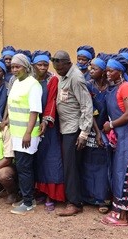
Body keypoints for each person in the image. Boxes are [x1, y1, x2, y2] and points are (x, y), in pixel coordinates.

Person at [100, 55, 128, 226]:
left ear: (120, 71)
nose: (108, 73)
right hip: (121, 135)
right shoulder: (115, 88)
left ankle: (122, 215)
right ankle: (125, 211)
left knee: (126, 173)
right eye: (107, 70)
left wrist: (110, 124)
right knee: (121, 172)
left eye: (111, 70)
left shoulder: (126, 87)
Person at [51, 50, 93, 216]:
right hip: (66, 127)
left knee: (71, 167)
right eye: (56, 69)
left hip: (74, 129)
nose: (58, 71)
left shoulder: (75, 77)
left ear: (67, 63)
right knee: (71, 166)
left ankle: (75, 203)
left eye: (60, 68)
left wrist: (84, 133)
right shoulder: (64, 75)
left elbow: (86, 105)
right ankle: (75, 199)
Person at [5, 53, 42, 215]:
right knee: (21, 167)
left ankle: (28, 202)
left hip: (27, 135)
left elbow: (34, 111)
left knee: (24, 167)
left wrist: (28, 133)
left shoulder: (33, 85)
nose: (14, 70)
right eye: (12, 67)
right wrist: (7, 121)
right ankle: (28, 198)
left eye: (17, 67)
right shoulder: (16, 83)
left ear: (26, 67)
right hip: (16, 133)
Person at [30, 51, 63, 212]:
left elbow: (52, 101)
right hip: (32, 123)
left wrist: (45, 120)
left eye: (45, 64)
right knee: (38, 158)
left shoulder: (53, 80)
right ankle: (40, 191)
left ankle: (51, 194)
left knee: (51, 159)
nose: (43, 67)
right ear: (33, 66)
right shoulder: (30, 81)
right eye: (39, 65)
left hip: (49, 125)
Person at [82, 53, 112, 213]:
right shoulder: (88, 86)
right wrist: (97, 132)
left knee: (104, 165)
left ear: (103, 70)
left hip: (108, 129)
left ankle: (102, 199)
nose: (91, 70)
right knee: (89, 162)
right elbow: (89, 109)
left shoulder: (112, 86)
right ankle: (88, 196)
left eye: (95, 68)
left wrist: (106, 130)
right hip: (92, 128)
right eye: (90, 67)